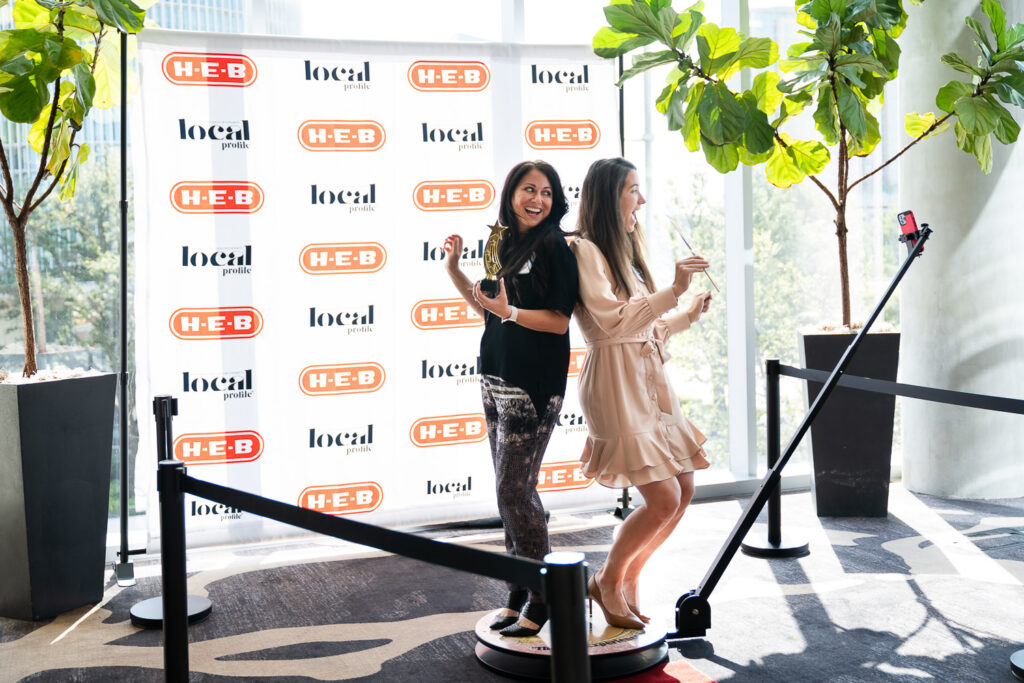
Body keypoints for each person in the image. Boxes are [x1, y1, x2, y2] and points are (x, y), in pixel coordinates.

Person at [571, 157, 712, 630]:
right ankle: (608, 580)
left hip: (649, 382)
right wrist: (674, 289)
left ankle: (627, 577)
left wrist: (687, 313)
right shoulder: (584, 249)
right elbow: (613, 324)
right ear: (609, 197)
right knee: (664, 498)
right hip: (616, 385)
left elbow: (644, 328)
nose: (642, 199)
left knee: (684, 488)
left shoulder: (625, 251)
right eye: (633, 190)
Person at [443, 160, 578, 637]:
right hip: (495, 375)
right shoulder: (501, 243)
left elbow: (559, 321)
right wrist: (453, 269)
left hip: (533, 382)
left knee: (514, 490)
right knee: (511, 492)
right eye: (529, 189)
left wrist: (513, 311)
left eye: (546, 192)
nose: (537, 199)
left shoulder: (556, 246)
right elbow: (488, 307)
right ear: (511, 194)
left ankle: (543, 597)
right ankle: (518, 589)